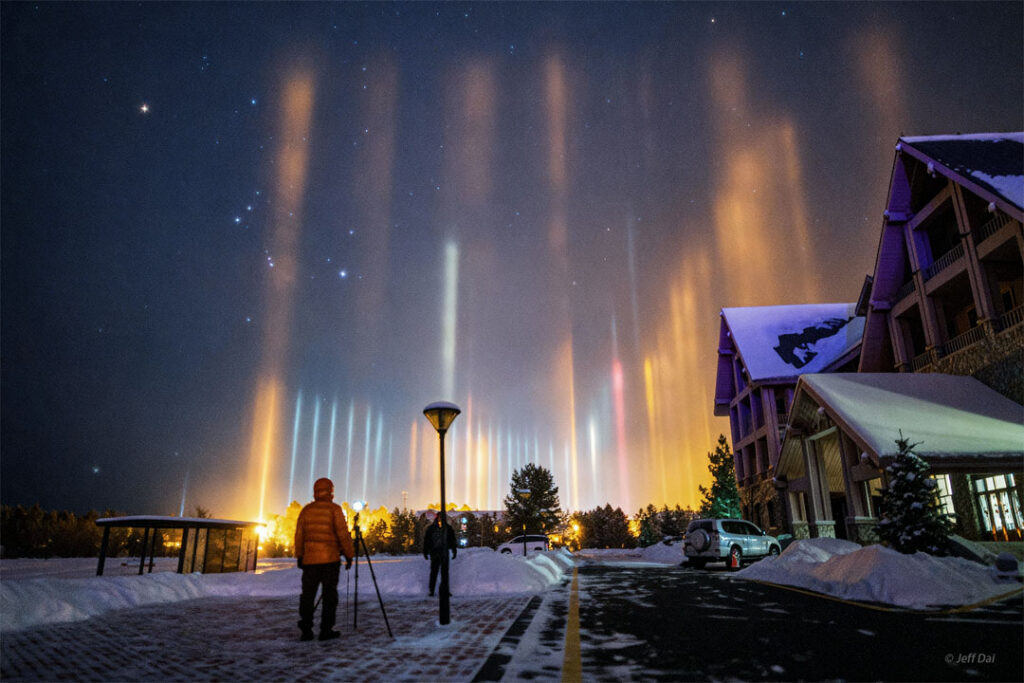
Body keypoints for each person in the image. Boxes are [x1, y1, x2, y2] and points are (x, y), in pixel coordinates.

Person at [294, 477, 355, 641]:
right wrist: (349, 555)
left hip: (310, 562)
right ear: (330, 491)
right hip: (330, 560)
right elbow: (343, 535)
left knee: (308, 596)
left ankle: (306, 630)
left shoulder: (306, 510)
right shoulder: (334, 509)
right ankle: (326, 630)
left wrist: (300, 555)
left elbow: (299, 536)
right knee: (329, 597)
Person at [422, 511, 457, 597]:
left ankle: (445, 590)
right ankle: (431, 591)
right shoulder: (431, 528)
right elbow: (427, 540)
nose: (441, 519)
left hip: (444, 552)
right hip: (435, 552)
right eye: (440, 517)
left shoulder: (448, 528)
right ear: (437, 517)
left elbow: (452, 540)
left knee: (444, 573)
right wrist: (425, 551)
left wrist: (454, 550)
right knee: (434, 572)